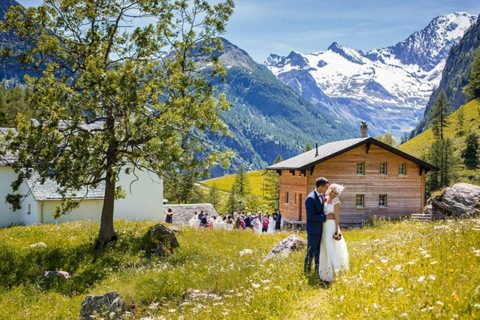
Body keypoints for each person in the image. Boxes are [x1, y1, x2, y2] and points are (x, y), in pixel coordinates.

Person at [318, 183, 349, 282]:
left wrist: (337, 230)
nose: (333, 194)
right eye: (332, 191)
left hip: (331, 226)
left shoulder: (336, 201)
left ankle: (334, 272)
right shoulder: (324, 198)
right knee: (324, 247)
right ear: (329, 189)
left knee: (330, 247)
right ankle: (325, 272)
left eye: (335, 193)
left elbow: (337, 216)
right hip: (324, 225)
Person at [304, 177, 329, 275]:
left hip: (320, 229)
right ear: (321, 187)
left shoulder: (321, 196)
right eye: (326, 186)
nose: (327, 188)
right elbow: (312, 216)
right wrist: (325, 217)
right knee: (311, 251)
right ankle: (307, 271)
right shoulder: (310, 198)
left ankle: (317, 271)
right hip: (313, 230)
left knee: (319, 252)